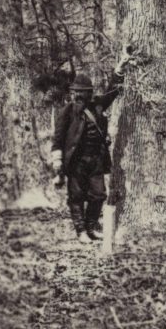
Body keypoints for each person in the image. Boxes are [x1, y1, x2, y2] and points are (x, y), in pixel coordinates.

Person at [50, 47, 135, 243]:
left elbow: (113, 91)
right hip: (75, 161)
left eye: (83, 93)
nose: (79, 97)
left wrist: (120, 67)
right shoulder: (67, 111)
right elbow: (58, 139)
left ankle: (90, 226)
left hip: (96, 159)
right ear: (72, 94)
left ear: (89, 94)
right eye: (77, 93)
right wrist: (58, 165)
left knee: (98, 195)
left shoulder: (97, 105)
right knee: (76, 197)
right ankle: (80, 231)